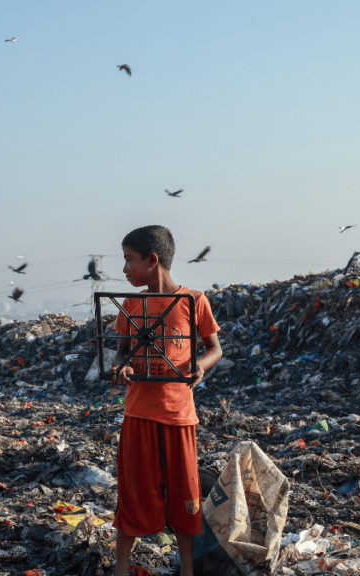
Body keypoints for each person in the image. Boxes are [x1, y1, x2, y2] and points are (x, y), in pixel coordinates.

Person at [110, 225, 223, 576]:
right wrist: (120, 370)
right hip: (138, 413)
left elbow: (214, 349)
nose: (125, 269)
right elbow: (120, 355)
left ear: (152, 260)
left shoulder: (194, 301)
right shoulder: (131, 304)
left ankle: (186, 570)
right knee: (134, 491)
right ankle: (121, 568)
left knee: (185, 496)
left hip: (178, 415)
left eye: (129, 260)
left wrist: (200, 368)